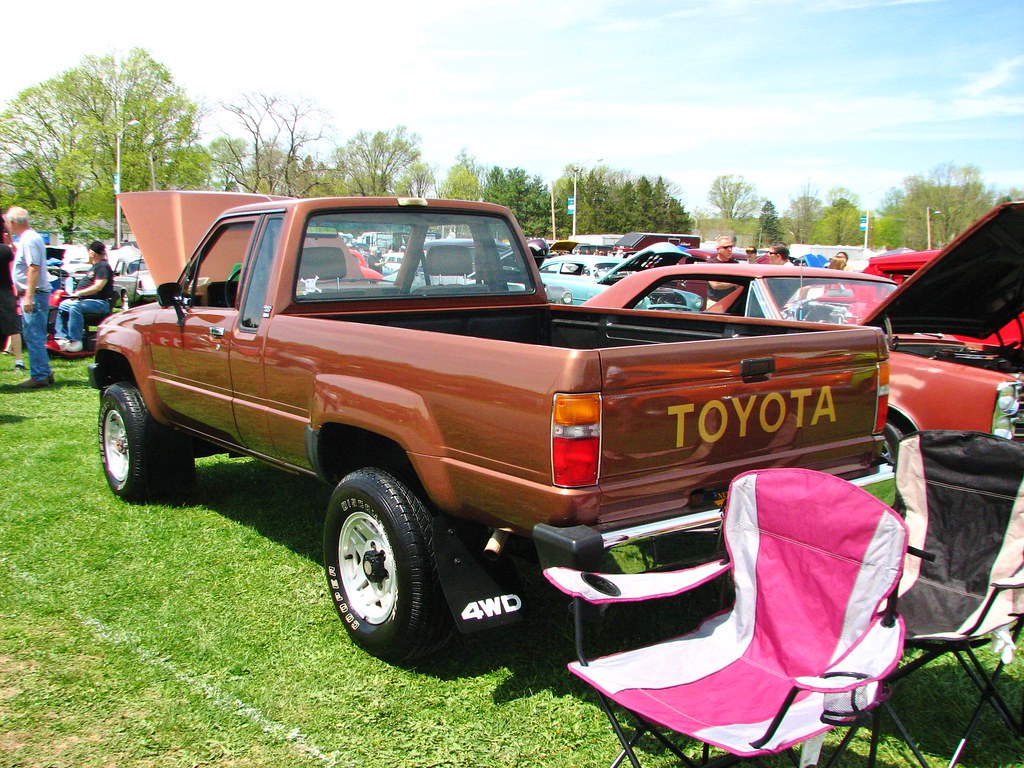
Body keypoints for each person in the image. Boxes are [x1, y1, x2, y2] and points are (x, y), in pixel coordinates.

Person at [5, 207, 52, 388]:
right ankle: (44, 371)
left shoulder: (30, 240)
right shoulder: (29, 238)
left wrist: (29, 297)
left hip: (35, 295)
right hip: (34, 294)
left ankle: (39, 376)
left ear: (13, 223)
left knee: (34, 336)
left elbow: (33, 267)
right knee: (34, 335)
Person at [54, 240, 114, 352]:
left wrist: (79, 293)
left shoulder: (103, 266)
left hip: (100, 303)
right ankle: (61, 337)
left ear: (92, 252)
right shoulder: (94, 267)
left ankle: (76, 341)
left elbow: (98, 287)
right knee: (63, 305)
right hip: (87, 302)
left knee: (75, 307)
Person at [0, 219, 23, 370]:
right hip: (5, 291)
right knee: (13, 327)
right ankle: (19, 361)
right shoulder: (6, 251)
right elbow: (13, 273)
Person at [707, 235, 740, 302]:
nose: (729, 249)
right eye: (726, 247)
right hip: (715, 302)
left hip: (732, 301)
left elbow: (739, 286)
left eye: (731, 247)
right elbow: (715, 285)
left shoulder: (735, 264)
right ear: (718, 250)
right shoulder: (711, 264)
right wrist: (734, 283)